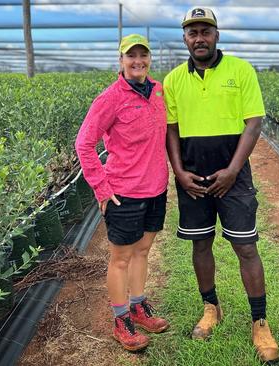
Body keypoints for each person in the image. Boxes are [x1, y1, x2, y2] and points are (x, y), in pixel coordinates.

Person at [163, 7, 279, 363]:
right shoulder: (172, 81)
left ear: (217, 35)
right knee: (201, 244)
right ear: (185, 38)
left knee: (246, 248)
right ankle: (211, 308)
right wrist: (179, 173)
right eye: (192, 32)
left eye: (205, 31)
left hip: (235, 177)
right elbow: (171, 130)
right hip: (193, 179)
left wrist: (232, 170)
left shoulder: (241, 71)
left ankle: (259, 321)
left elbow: (253, 123)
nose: (199, 38)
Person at [75, 33, 169, 352]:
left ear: (149, 59)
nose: (137, 61)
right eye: (131, 56)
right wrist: (101, 186)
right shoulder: (110, 98)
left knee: (143, 251)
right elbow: (84, 144)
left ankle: (139, 306)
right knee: (120, 258)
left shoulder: (158, 91)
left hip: (156, 189)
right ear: (121, 60)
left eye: (143, 55)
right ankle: (121, 319)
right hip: (123, 192)